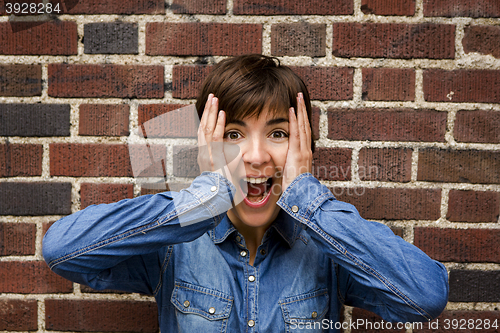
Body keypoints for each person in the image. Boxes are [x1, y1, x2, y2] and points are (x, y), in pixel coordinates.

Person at [43, 54, 448, 332]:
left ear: (303, 147)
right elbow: (62, 250)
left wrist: (307, 197)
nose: (255, 156)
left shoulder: (330, 248)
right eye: (234, 134)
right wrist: (207, 195)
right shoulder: (172, 247)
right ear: (208, 144)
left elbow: (424, 297)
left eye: (277, 134)